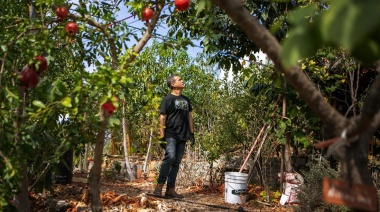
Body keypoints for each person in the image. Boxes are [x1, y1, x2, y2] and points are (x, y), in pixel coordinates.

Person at [153, 74, 195, 198]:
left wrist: (192, 133)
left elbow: (189, 117)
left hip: (183, 135)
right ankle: (159, 186)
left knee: (176, 162)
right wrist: (162, 136)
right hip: (170, 134)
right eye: (179, 80)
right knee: (170, 157)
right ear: (172, 84)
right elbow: (162, 117)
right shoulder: (167, 99)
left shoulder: (186, 100)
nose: (182, 81)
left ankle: (170, 189)